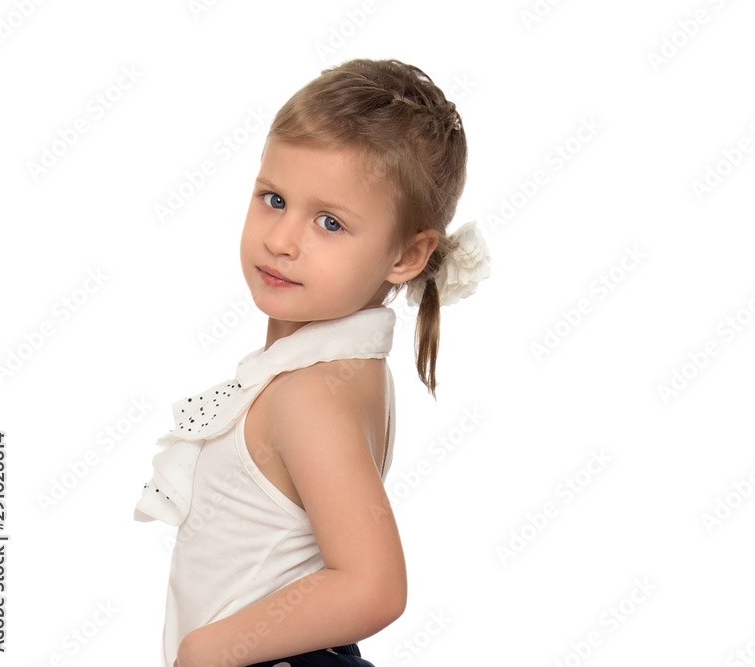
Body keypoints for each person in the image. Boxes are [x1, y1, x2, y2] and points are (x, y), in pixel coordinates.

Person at [133, 58, 490, 667]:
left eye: (329, 222)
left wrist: (206, 651)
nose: (281, 239)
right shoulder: (334, 370)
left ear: (406, 256)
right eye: (274, 199)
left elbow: (374, 587)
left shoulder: (310, 392)